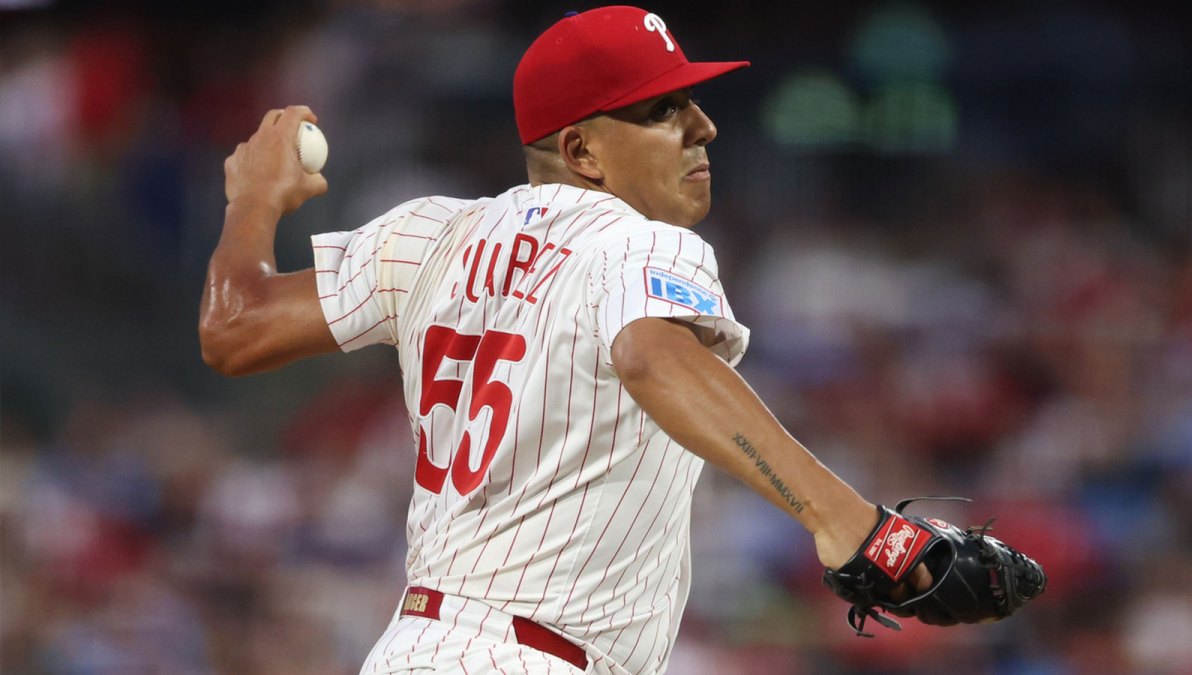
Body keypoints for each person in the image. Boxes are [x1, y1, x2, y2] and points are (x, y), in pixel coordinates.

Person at [200, 6, 925, 673]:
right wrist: (851, 522)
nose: (701, 125)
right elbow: (648, 353)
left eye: (692, 101)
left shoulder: (430, 236)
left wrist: (254, 202)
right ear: (582, 150)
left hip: (415, 648)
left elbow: (235, 328)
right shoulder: (639, 241)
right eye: (662, 109)